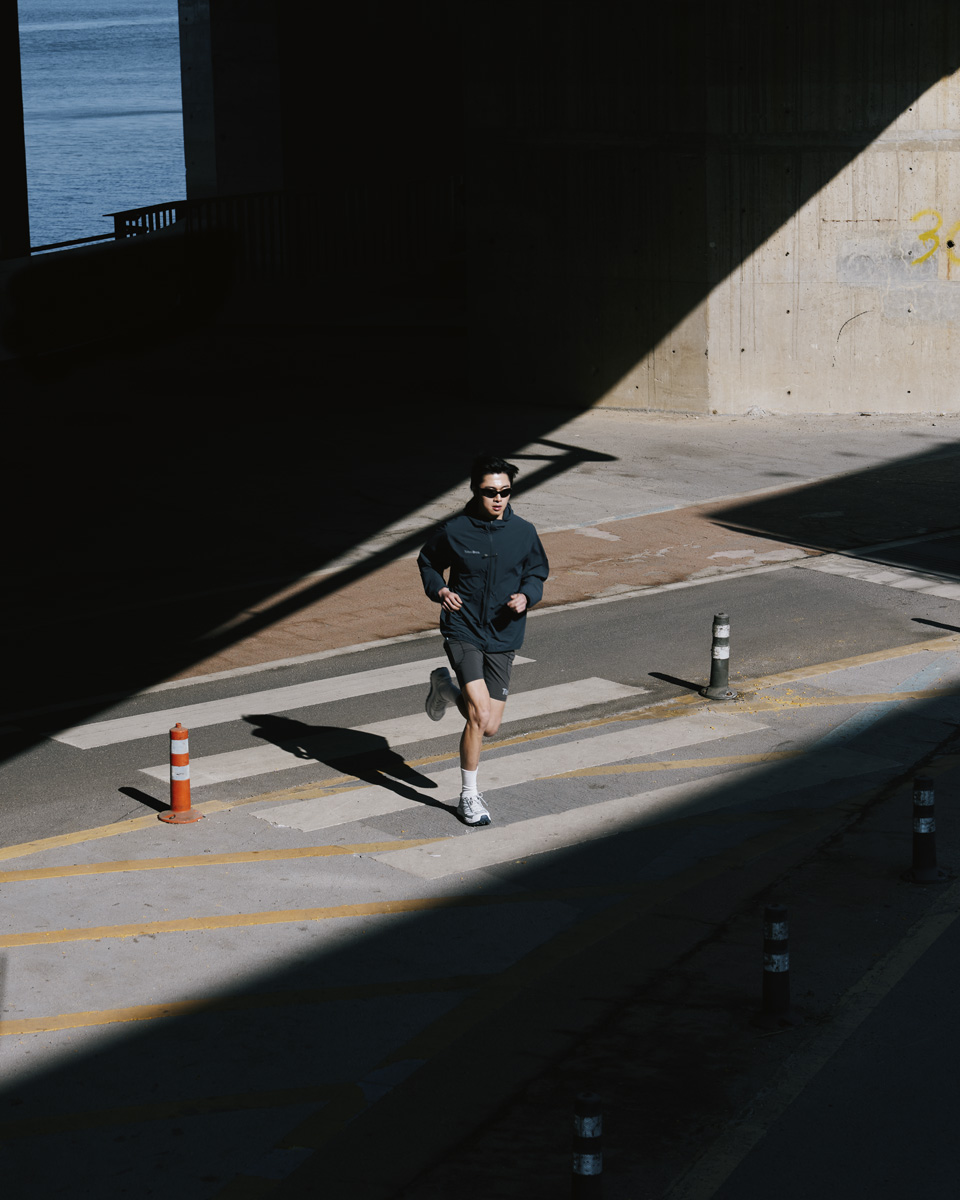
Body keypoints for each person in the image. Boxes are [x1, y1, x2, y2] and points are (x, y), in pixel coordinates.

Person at [417, 455, 549, 826]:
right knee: (477, 714)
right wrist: (440, 589)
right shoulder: (455, 530)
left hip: (504, 631)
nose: (498, 499)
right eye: (491, 492)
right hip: (464, 628)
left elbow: (537, 572)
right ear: (476, 490)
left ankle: (443, 688)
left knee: (489, 725)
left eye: (505, 492)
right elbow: (428, 562)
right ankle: (468, 797)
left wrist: (527, 595)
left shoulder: (524, 532)